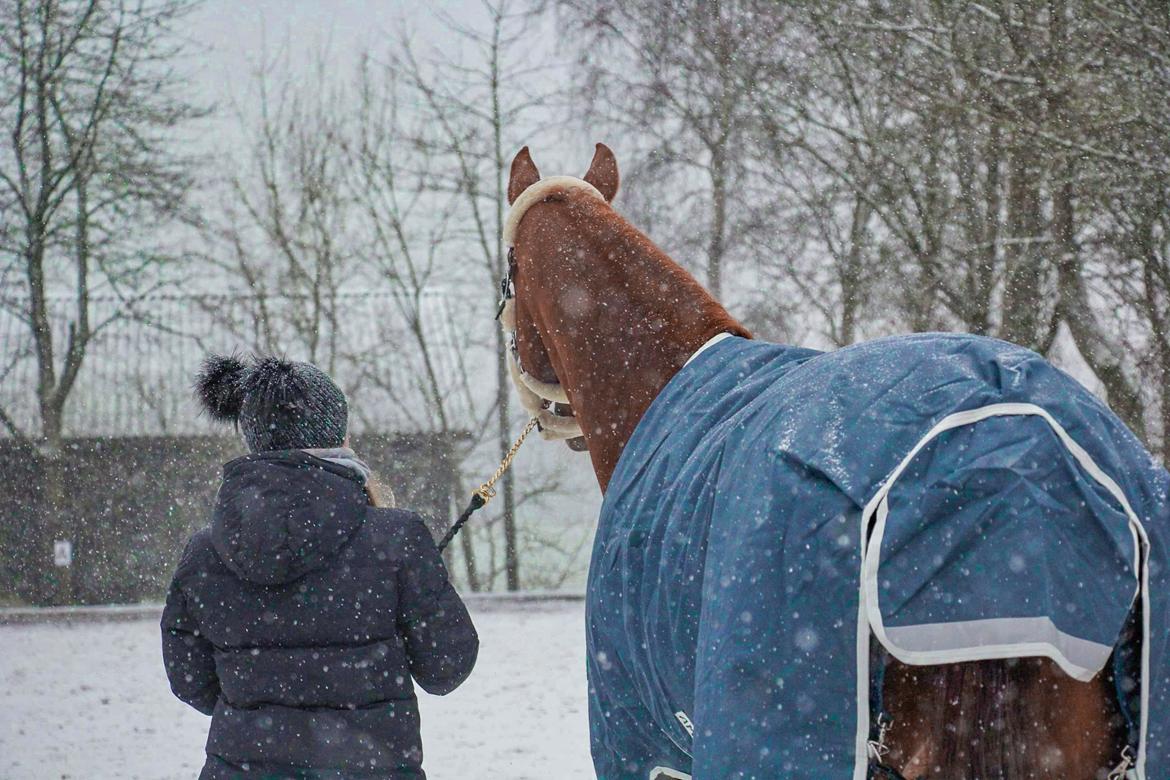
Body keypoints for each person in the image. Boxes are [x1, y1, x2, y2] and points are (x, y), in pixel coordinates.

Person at [162, 354, 478, 779]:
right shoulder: (396, 536)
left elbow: (190, 680)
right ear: (340, 435)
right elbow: (446, 667)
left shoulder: (204, 553)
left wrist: (259, 698)